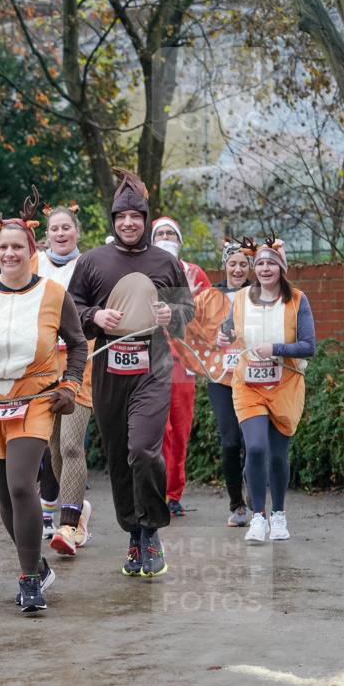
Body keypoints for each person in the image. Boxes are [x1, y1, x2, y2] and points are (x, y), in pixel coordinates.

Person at [0, 190, 87, 611]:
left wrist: (70, 385)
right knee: (6, 495)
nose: (9, 254)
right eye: (3, 247)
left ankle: (28, 581)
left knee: (22, 484)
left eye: (17, 247)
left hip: (35, 398)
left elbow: (78, 344)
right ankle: (36, 563)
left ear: (31, 250)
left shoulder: (54, 294)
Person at [68, 169, 194, 578]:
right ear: (113, 219)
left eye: (135, 216)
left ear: (145, 219)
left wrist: (171, 313)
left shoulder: (165, 262)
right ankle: (133, 534)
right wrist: (94, 316)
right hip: (108, 365)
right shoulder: (92, 261)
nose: (128, 223)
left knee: (143, 450)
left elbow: (187, 310)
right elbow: (71, 308)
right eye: (121, 216)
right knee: (120, 457)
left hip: (152, 364)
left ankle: (152, 531)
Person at [218, 239, 315, 543]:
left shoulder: (297, 300)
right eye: (259, 263)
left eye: (271, 262)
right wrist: (223, 336)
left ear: (281, 267)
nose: (264, 268)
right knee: (256, 447)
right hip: (248, 385)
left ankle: (279, 514)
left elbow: (309, 346)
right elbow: (228, 328)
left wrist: (275, 348)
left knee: (277, 454)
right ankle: (258, 516)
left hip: (286, 384)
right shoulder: (242, 298)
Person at [178, 239, 255, 526]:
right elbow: (184, 324)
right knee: (231, 441)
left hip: (254, 378)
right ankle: (237, 504)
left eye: (243, 264)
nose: (237, 269)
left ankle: (254, 490)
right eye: (232, 263)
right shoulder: (209, 297)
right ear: (224, 265)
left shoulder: (260, 295)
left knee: (253, 442)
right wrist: (186, 299)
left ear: (250, 267)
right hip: (221, 379)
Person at [35, 204, 94, 556]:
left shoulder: (90, 265)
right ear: (46, 235)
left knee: (72, 444)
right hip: (43, 365)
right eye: (54, 228)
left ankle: (69, 525)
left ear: (77, 231)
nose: (60, 233)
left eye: (66, 227)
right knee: (54, 448)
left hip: (79, 361)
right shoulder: (34, 264)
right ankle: (78, 507)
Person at [151, 217, 211, 516]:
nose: (165, 238)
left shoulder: (195, 272)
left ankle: (174, 493)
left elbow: (211, 318)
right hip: (151, 361)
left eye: (170, 233)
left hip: (183, 362)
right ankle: (156, 491)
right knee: (157, 430)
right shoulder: (142, 272)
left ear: (179, 240)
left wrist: (190, 297)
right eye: (159, 234)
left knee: (180, 429)